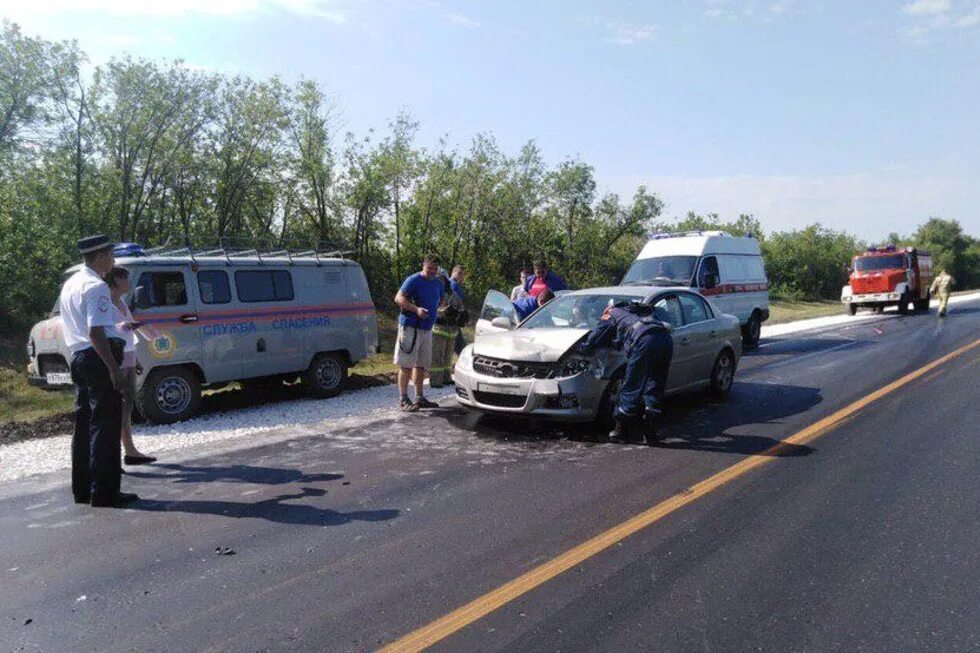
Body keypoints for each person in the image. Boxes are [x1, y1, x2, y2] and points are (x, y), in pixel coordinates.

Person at [60, 235, 138, 508]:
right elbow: (96, 333)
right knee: (105, 425)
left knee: (84, 425)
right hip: (98, 357)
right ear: (102, 256)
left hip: (79, 357)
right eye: (111, 254)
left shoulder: (71, 284)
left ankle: (82, 489)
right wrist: (114, 370)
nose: (114, 259)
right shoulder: (97, 287)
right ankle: (105, 493)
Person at [577, 300, 674, 443]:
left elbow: (597, 336)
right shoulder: (637, 310)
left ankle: (619, 431)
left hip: (644, 341)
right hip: (665, 340)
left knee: (632, 385)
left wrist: (583, 349)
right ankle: (650, 432)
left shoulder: (610, 313)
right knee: (655, 383)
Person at [105, 267, 157, 466]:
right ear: (117, 280)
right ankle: (115, 456)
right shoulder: (106, 303)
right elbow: (105, 331)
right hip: (116, 358)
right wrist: (126, 326)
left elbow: (126, 335)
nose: (130, 283)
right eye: (127, 279)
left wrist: (135, 358)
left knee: (126, 406)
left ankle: (130, 451)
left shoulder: (121, 303)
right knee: (118, 407)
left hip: (127, 356)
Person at [394, 254, 446, 411]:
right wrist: (416, 309)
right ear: (424, 265)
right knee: (406, 364)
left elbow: (440, 301)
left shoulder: (438, 283)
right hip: (410, 327)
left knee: (421, 365)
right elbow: (398, 298)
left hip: (426, 329)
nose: (432, 271)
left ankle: (419, 397)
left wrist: (440, 311)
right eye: (429, 268)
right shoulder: (413, 280)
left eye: (435, 269)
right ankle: (403, 399)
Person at [430, 271, 466, 388]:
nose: (442, 282)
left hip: (451, 330)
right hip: (438, 329)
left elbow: (460, 307)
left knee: (448, 356)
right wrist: (444, 311)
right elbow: (432, 309)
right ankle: (435, 380)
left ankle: (446, 377)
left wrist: (462, 315)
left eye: (443, 280)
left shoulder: (452, 294)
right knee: (437, 355)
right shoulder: (434, 293)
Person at [449, 265, 469, 355]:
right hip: (452, 317)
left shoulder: (449, 283)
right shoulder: (454, 285)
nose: (461, 276)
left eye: (463, 274)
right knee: (460, 345)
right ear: (453, 273)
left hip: (450, 317)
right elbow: (456, 303)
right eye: (459, 273)